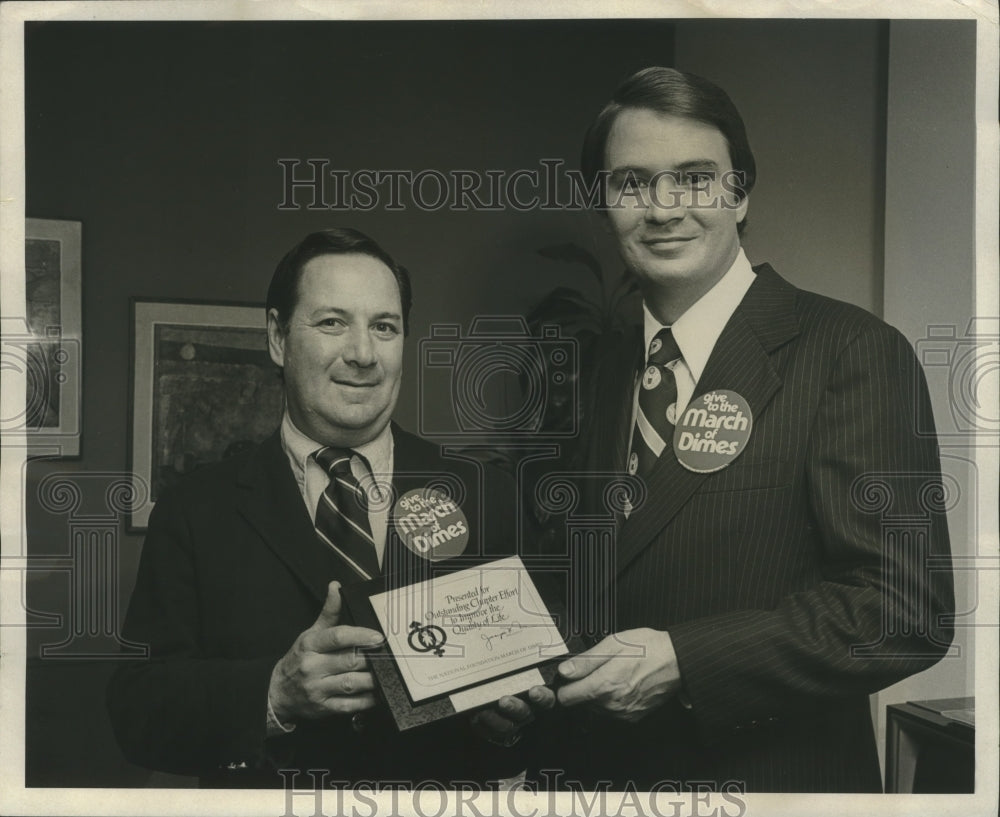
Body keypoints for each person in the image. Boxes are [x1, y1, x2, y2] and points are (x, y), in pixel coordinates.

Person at [539, 67, 955, 792]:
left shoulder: (851, 351)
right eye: (632, 183)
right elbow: (584, 578)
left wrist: (688, 660)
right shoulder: (596, 368)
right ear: (602, 205)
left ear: (741, 193)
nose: (664, 207)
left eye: (696, 178)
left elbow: (905, 608)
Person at [108, 228, 554, 787]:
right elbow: (138, 712)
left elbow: (536, 705)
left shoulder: (484, 494)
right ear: (277, 338)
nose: (363, 354)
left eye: (384, 327)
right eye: (332, 322)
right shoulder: (195, 510)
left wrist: (505, 726)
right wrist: (274, 694)